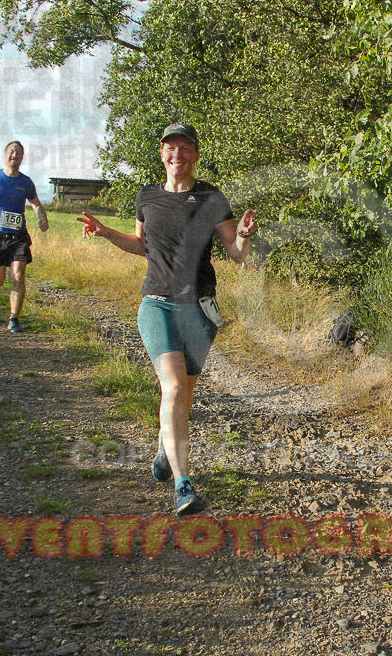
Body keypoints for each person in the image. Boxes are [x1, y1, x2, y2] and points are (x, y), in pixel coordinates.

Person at [77, 123, 257, 516]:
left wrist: (243, 235)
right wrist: (106, 232)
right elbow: (141, 245)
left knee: (184, 397)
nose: (177, 154)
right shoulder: (147, 197)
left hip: (200, 307)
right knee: (173, 387)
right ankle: (183, 485)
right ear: (161, 154)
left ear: (195, 154)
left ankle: (165, 449)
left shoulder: (211, 196)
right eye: (170, 147)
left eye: (185, 147)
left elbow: (236, 253)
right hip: (157, 303)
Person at [0, 141, 49, 333]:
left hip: (19, 236)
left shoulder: (25, 182)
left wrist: (42, 217)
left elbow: (35, 203)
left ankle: (14, 319)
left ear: (22, 158)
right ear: (5, 155)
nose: (15, 156)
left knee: (18, 276)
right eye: (12, 152)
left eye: (19, 153)